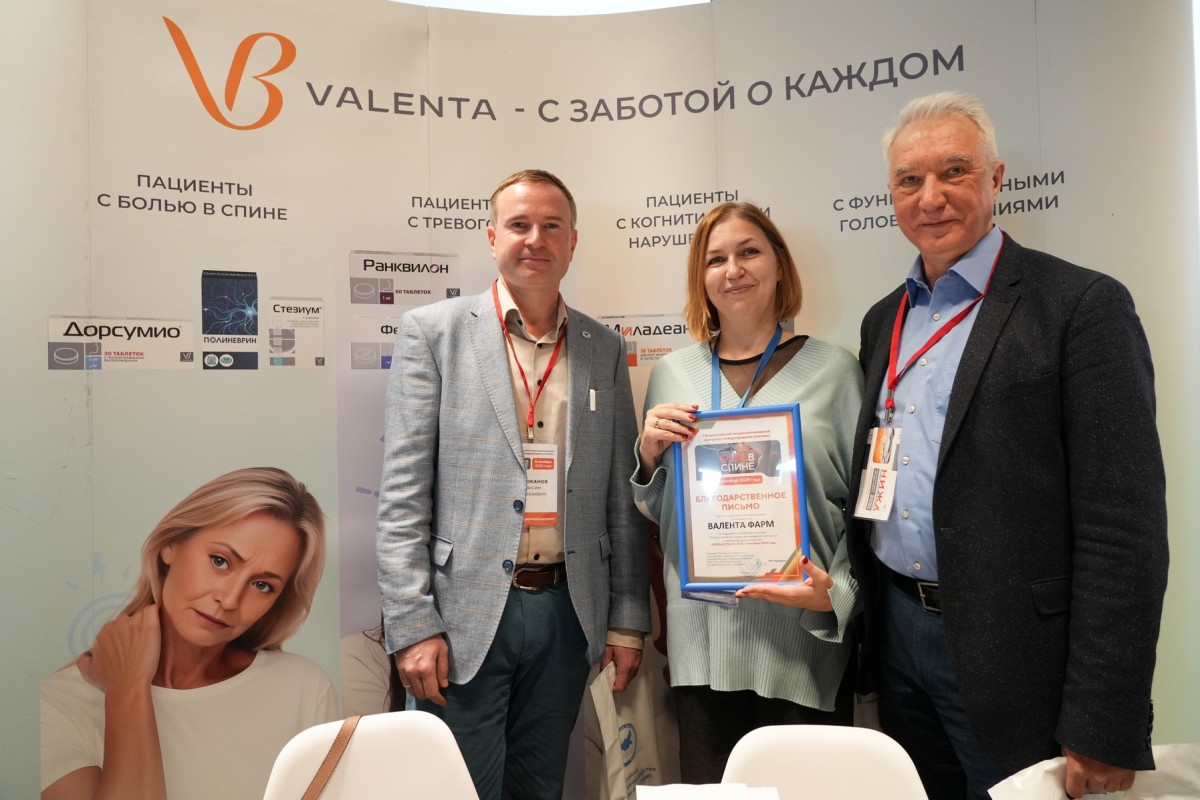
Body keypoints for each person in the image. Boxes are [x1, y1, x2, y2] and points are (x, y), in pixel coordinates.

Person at [847, 91, 1169, 800]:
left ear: (995, 179)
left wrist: (1104, 718)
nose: (930, 197)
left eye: (954, 171)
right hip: (899, 632)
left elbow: (1125, 530)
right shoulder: (883, 320)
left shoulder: (1079, 306)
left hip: (1018, 656)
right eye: (909, 179)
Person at [376, 168, 650, 800]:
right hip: (461, 615)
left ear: (573, 241)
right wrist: (412, 624)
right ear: (492, 236)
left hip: (567, 613)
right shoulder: (434, 333)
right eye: (520, 224)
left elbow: (621, 498)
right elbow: (402, 496)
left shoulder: (603, 347)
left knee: (540, 788)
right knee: (456, 791)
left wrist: (627, 620)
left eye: (552, 226)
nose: (536, 239)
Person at [631, 201, 863, 783]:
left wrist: (837, 596)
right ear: (701, 277)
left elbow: (866, 510)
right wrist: (650, 456)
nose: (733, 270)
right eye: (716, 259)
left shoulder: (836, 370)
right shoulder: (672, 374)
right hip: (704, 641)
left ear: (779, 265)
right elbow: (659, 511)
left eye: (749, 252)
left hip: (801, 641)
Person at [40, 467, 340, 800]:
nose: (229, 600)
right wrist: (127, 687)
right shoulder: (58, 704)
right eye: (220, 561)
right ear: (171, 544)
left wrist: (125, 684)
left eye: (262, 585)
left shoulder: (303, 688)